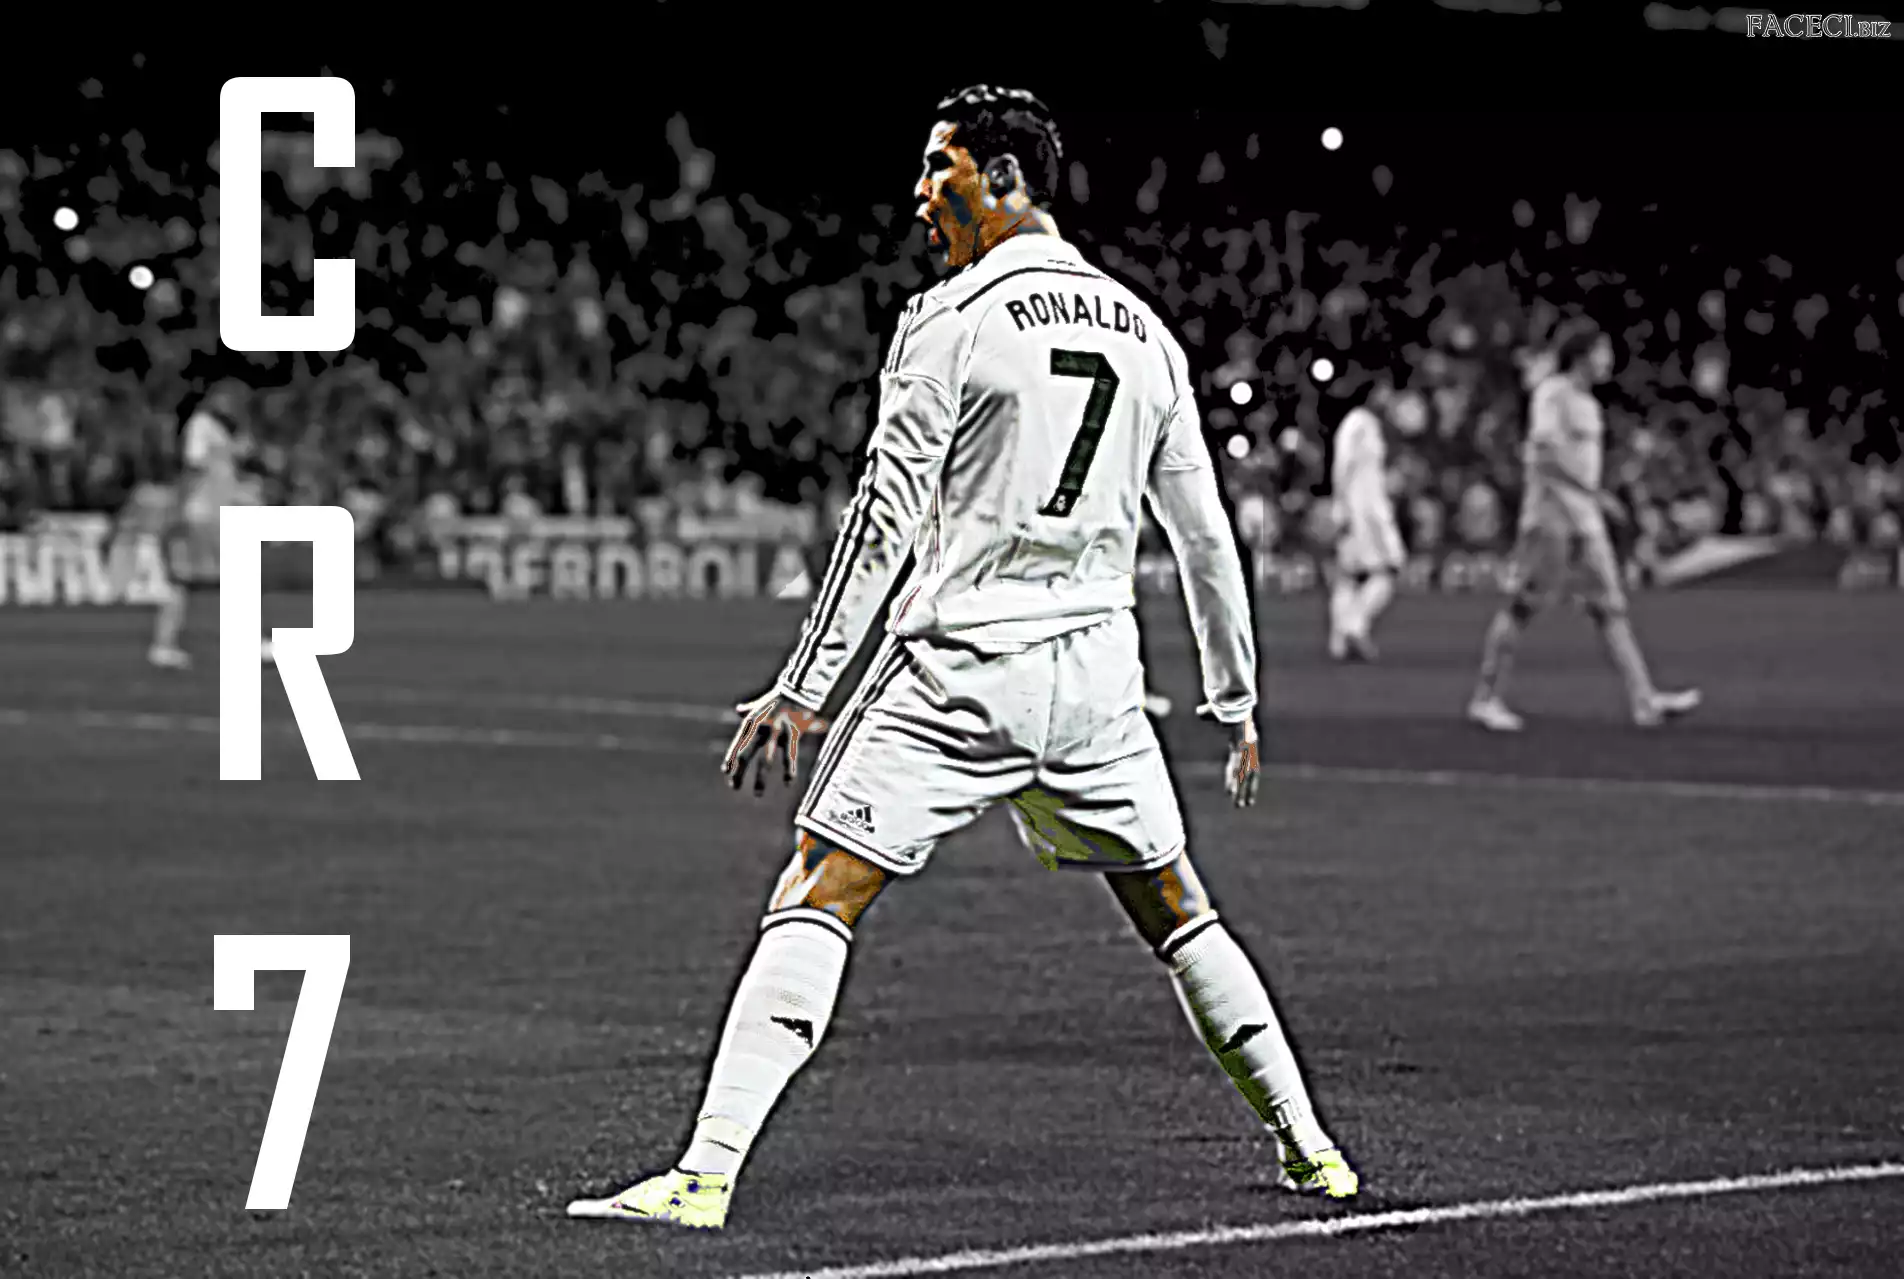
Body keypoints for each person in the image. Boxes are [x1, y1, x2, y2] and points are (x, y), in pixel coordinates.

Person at [568, 85, 1358, 1231]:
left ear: (1001, 176)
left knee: (818, 886)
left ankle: (701, 1174)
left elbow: (882, 516)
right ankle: (1311, 1149)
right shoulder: (1146, 335)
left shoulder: (950, 318)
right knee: (1176, 906)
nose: (918, 194)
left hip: (961, 668)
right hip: (1095, 681)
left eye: (937, 167)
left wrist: (804, 685)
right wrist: (1232, 695)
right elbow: (1202, 537)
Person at [1468, 322, 1700, 731]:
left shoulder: (1588, 403)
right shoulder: (1552, 394)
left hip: (1585, 521)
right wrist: (1594, 492)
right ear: (1581, 355)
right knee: (1522, 605)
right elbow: (1543, 453)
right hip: (1550, 519)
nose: (1609, 360)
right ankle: (1485, 699)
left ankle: (1644, 701)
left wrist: (1593, 497)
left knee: (1611, 609)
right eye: (1603, 351)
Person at [1327, 369, 1406, 661]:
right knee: (1390, 568)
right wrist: (1341, 507)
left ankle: (1339, 642)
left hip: (1365, 508)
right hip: (1365, 512)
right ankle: (1354, 625)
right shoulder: (1358, 423)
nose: (1388, 397)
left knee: (1349, 575)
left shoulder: (1369, 424)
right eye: (1384, 391)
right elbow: (1342, 467)